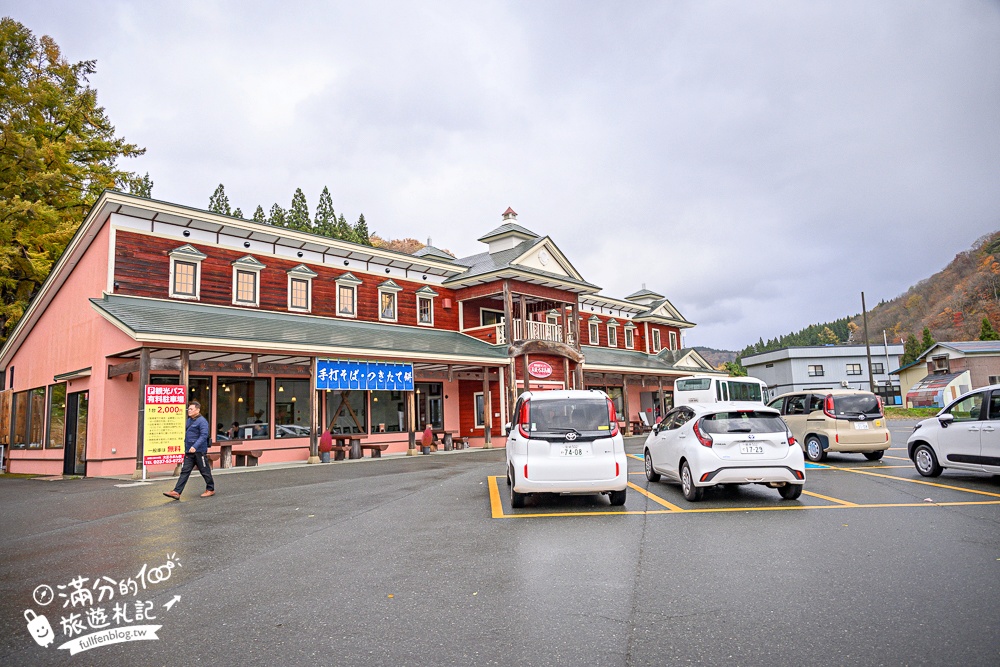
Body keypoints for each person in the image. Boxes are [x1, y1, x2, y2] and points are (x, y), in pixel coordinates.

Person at [163, 401, 215, 499]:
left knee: (205, 471)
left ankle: (210, 489)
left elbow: (204, 435)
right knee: (185, 471)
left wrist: (195, 446)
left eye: (191, 409)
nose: (189, 411)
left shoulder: (202, 421)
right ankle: (177, 492)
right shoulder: (189, 420)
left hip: (199, 451)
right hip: (189, 451)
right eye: (188, 409)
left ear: (197, 410)